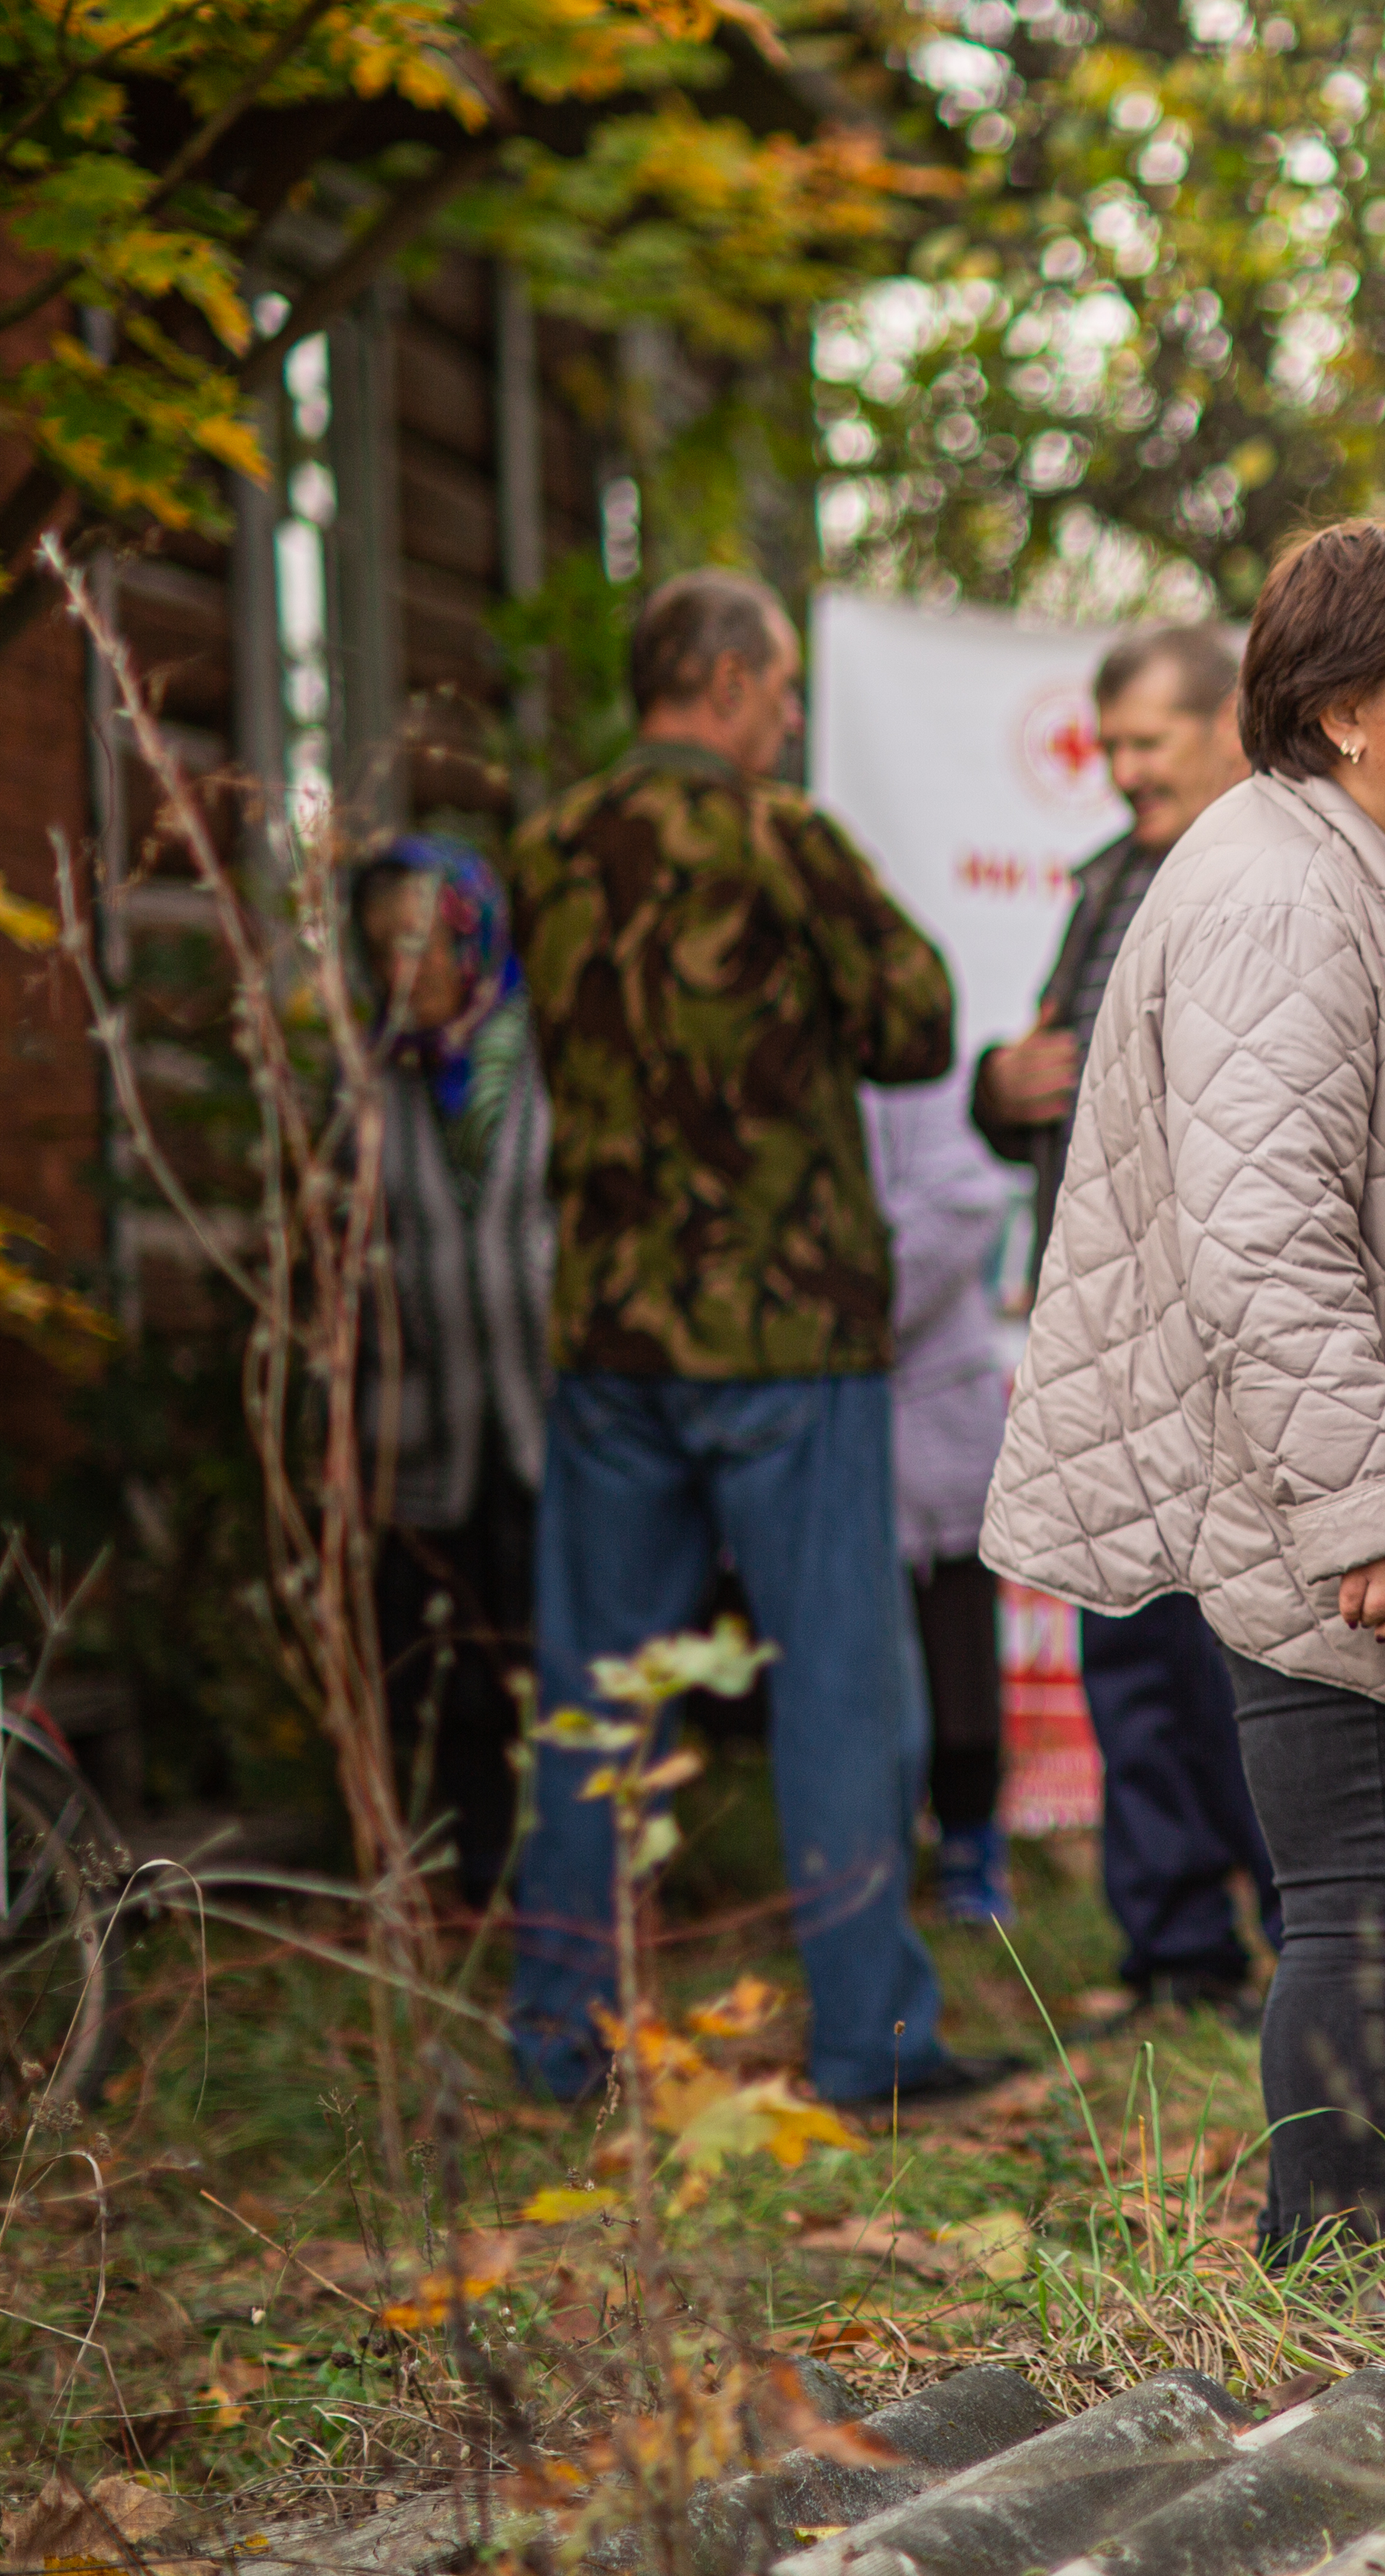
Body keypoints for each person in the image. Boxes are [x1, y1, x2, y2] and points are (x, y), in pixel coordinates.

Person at [986, 519, 1385, 2263]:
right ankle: (1317, 2283)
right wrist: (1368, 1501)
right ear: (1345, 705)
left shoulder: (1383, 862)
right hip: (1331, 1494)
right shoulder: (1279, 891)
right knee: (1357, 1903)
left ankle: (1331, 2266)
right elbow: (1260, 1234)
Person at [501, 571, 1006, 2113]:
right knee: (842, 1691)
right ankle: (871, 2047)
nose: (788, 718)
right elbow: (918, 1023)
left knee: (596, 1690)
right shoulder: (782, 839)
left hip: (609, 1334)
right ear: (722, 680)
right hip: (787, 1332)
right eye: (779, 691)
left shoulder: (545, 848)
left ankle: (556, 2035)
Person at [972, 622, 1282, 2020]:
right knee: (1132, 1646)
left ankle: (1308, 1940)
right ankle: (1173, 1954)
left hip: (1225, 1330)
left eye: (1148, 743)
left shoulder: (1286, 872)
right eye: (1110, 747)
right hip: (1098, 1333)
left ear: (1230, 726)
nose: (1123, 773)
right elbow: (1062, 1080)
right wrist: (1004, 1090)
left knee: (1250, 1652)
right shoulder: (1105, 886)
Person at [352, 838, 551, 1908]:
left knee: (554, 1652)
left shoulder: (547, 1059)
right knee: (451, 1667)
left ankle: (580, 1871)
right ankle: (482, 1877)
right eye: (385, 945)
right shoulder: (375, 1085)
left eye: (427, 939)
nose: (406, 966)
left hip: (549, 1418)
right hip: (427, 1427)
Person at [866, 1078, 1020, 1929]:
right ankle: (866, 1860)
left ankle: (970, 1845)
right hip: (828, 1421)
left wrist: (847, 1295)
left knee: (957, 1645)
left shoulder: (921, 1070)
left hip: (929, 1410)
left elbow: (966, 1205)